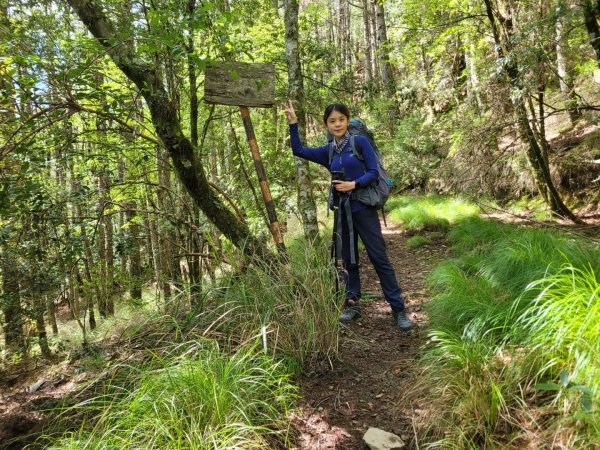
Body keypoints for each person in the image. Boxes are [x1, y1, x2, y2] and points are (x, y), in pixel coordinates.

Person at [283, 101, 413, 330]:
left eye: (341, 119)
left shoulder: (359, 142)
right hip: (343, 212)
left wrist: (354, 183)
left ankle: (398, 309)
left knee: (379, 258)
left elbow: (373, 172)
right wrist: (293, 123)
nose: (337, 124)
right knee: (349, 260)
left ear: (347, 119)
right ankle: (352, 303)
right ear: (326, 124)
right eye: (332, 121)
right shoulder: (329, 150)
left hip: (364, 209)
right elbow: (299, 150)